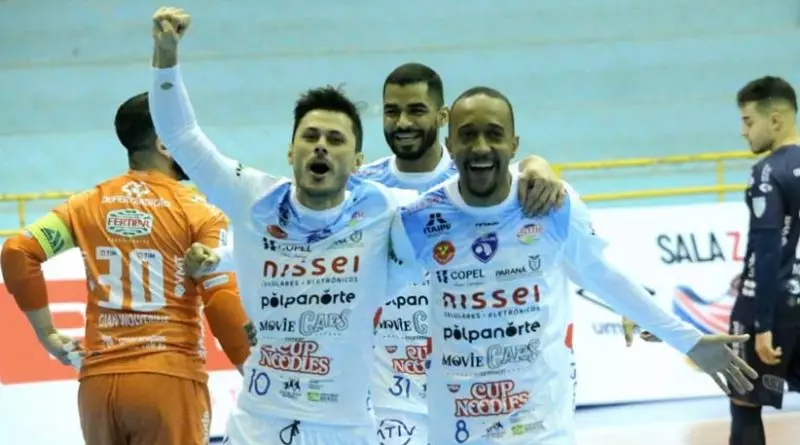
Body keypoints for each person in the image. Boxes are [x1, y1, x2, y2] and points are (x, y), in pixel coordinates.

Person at [149, 8, 562, 445]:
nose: (320, 147)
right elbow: (181, 135)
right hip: (258, 425)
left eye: (335, 139)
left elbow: (476, 198)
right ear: (290, 151)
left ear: (358, 162)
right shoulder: (253, 196)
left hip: (349, 430)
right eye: (310, 136)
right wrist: (165, 55)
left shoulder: (386, 208)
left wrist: (530, 167)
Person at [388, 86, 759, 445]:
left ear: (514, 145)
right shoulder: (419, 220)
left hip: (540, 422)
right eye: (467, 135)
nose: (481, 147)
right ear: (450, 144)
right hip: (456, 424)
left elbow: (601, 275)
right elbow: (372, 299)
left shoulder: (553, 205)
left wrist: (688, 341)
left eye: (494, 134)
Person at [0, 92, 252, 445]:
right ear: (164, 143)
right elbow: (221, 300)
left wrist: (49, 336)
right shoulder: (201, 213)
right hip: (168, 379)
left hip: (98, 388)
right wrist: (256, 376)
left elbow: (17, 251)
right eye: (187, 135)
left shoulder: (85, 205)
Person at [357, 62, 563, 445]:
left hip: (471, 393)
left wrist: (538, 164)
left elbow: (551, 234)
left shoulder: (475, 175)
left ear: (442, 117)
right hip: (390, 397)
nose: (403, 122)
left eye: (416, 110)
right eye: (392, 111)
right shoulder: (362, 188)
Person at [727, 76, 800, 445]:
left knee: (745, 404)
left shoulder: (768, 171)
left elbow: (767, 247)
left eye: (748, 121)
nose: (743, 132)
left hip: (772, 302)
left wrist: (763, 323)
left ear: (775, 119)